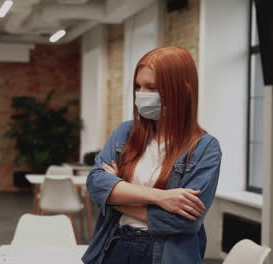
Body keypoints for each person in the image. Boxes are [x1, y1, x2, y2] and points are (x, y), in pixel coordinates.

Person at [82, 47, 222, 264]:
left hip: (164, 254)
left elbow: (183, 222)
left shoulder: (206, 148)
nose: (141, 95)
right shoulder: (125, 134)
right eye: (138, 87)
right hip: (115, 245)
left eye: (152, 87)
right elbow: (96, 184)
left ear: (183, 91)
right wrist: (162, 197)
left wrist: (115, 197)